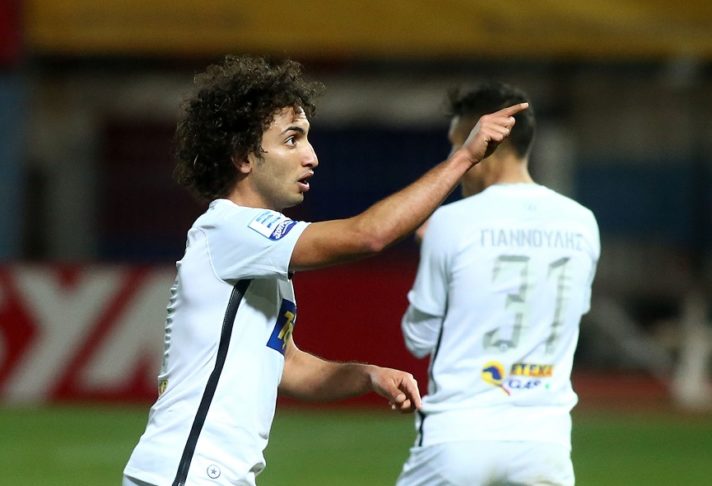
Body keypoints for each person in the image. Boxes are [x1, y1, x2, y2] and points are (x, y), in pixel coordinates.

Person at [122, 56, 528, 486]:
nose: (312, 157)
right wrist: (464, 158)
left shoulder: (254, 253)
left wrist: (367, 374)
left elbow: (289, 366)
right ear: (243, 156)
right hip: (188, 471)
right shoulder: (229, 229)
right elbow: (367, 235)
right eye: (292, 139)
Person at [396, 81, 600, 486]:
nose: (454, 160)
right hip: (545, 443)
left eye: (457, 146)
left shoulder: (450, 222)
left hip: (458, 437)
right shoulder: (582, 223)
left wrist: (431, 253)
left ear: (485, 144)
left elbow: (418, 339)